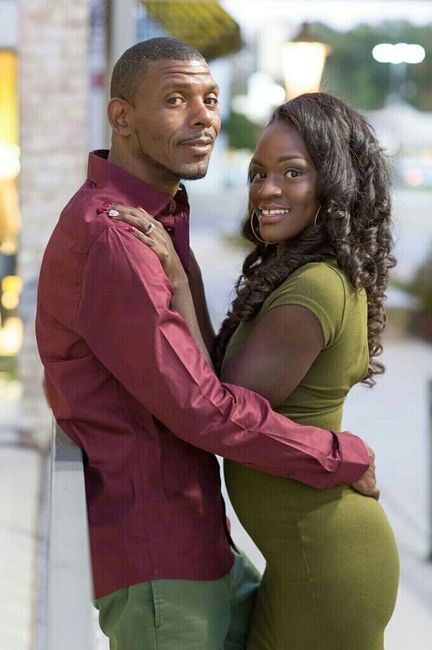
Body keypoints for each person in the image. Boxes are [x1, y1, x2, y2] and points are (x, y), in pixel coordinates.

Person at [36, 38, 377, 650]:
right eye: (175, 99)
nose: (203, 118)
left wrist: (178, 276)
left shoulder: (157, 222)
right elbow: (205, 408)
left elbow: (198, 375)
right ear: (121, 118)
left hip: (198, 541)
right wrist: (338, 455)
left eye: (211, 99)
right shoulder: (115, 237)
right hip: (160, 555)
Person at [115, 92, 400, 649]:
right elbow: (219, 378)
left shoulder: (315, 286)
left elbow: (219, 410)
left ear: (334, 183)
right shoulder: (300, 271)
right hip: (305, 560)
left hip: (328, 563)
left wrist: (345, 454)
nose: (266, 189)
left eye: (292, 172)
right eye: (258, 173)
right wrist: (180, 273)